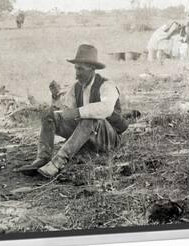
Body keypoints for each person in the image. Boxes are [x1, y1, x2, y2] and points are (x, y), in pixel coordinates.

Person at [18, 44, 129, 178]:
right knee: (49, 115)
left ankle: (58, 162)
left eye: (81, 69)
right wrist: (55, 99)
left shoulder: (107, 85)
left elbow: (105, 109)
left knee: (90, 118)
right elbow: (66, 112)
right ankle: (43, 158)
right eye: (76, 68)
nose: (77, 73)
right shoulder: (76, 87)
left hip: (108, 139)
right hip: (87, 137)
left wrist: (77, 112)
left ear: (92, 69)